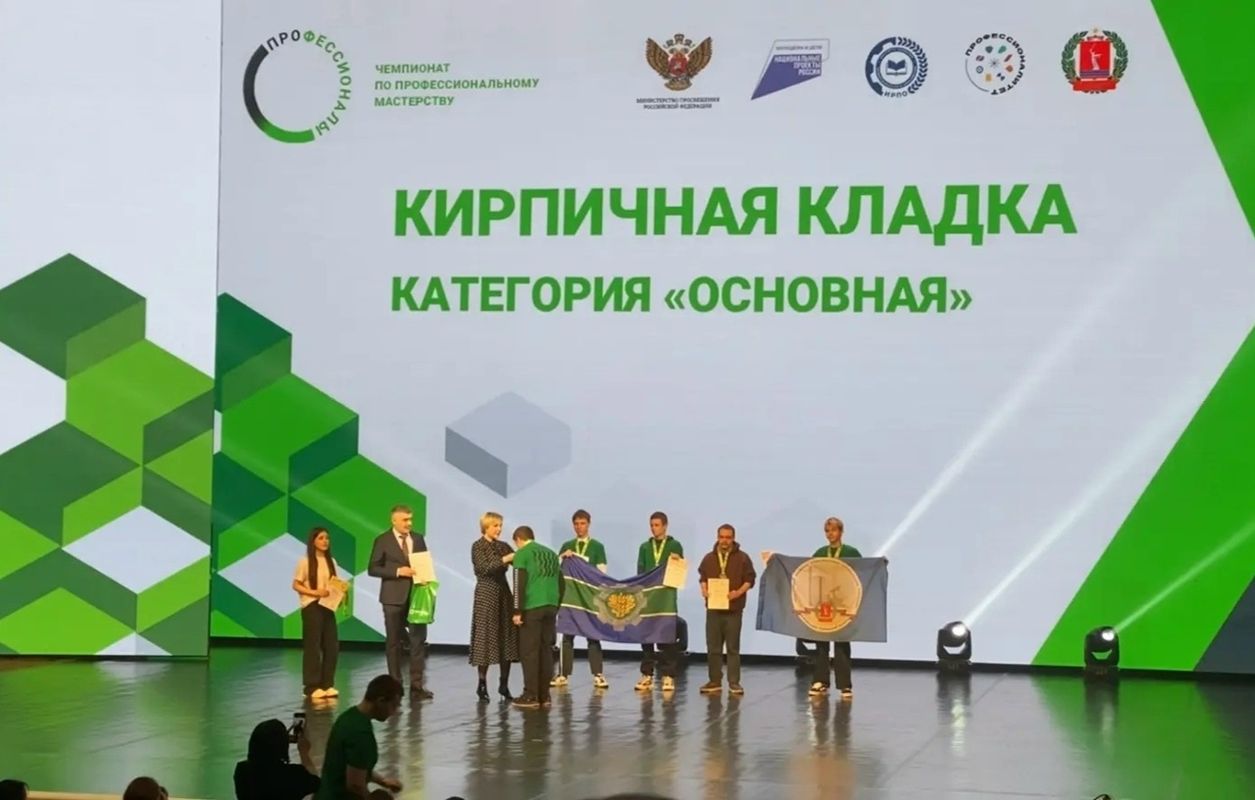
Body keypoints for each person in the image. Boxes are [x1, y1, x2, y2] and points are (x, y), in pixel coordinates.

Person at [367, 504, 432, 700]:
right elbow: (373, 568)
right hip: (392, 598)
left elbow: (424, 563)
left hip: (416, 597)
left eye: (410, 519)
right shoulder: (382, 540)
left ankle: (417, 687)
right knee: (394, 643)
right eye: (405, 520)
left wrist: (426, 578)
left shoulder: (418, 539)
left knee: (418, 641)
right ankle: (395, 687)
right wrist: (397, 571)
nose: (409, 523)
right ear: (394, 520)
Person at [316, 675, 405, 800]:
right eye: (394, 706)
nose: (394, 712)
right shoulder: (361, 734)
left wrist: (383, 781)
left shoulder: (349, 717)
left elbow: (356, 766)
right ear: (380, 701)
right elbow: (355, 786)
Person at [553, 508, 609, 689]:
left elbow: (601, 572)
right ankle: (563, 674)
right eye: (576, 524)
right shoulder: (567, 545)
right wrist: (563, 557)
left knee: (592, 635)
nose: (579, 527)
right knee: (567, 635)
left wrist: (581, 563)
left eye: (582, 523)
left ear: (588, 524)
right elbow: (557, 569)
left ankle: (598, 674)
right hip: (570, 597)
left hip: (588, 598)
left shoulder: (597, 546)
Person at [697, 523, 756, 695]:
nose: (724, 541)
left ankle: (734, 682)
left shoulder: (742, 558)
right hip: (714, 609)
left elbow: (750, 580)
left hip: (734, 609)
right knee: (713, 647)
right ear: (717, 538)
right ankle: (714, 681)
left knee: (732, 648)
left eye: (728, 537)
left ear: (733, 538)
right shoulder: (709, 558)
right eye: (722, 537)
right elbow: (703, 577)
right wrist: (704, 590)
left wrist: (738, 593)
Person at [808, 516, 862, 698]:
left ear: (841, 532)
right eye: (827, 531)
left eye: (833, 530)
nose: (830, 534)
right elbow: (809, 573)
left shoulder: (851, 552)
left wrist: (880, 564)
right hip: (823, 603)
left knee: (842, 643)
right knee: (821, 643)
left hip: (843, 604)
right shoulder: (820, 553)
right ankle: (820, 681)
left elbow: (863, 572)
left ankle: (845, 685)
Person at [510, 525, 563, 709]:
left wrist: (517, 611)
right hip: (551, 605)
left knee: (529, 652)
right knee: (546, 650)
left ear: (518, 539)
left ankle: (531, 695)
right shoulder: (551, 554)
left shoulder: (522, 554)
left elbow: (519, 583)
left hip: (532, 606)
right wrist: (556, 605)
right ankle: (544, 695)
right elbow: (561, 582)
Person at [469, 511, 518, 702]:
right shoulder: (478, 546)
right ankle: (481, 684)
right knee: (486, 637)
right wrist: (504, 559)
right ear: (486, 527)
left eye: (500, 526)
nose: (499, 529)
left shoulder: (503, 546)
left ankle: (504, 684)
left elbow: (518, 562)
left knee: (506, 637)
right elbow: (483, 568)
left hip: (503, 594)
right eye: (495, 525)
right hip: (486, 594)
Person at [635, 511, 684, 693]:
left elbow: (679, 571)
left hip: (666, 598)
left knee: (667, 636)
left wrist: (677, 563)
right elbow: (640, 572)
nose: (653, 529)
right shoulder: (644, 547)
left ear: (665, 526)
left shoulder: (674, 545)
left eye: (656, 525)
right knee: (646, 636)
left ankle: (668, 675)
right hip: (648, 597)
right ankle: (647, 674)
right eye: (651, 525)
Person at [292, 526, 341, 699]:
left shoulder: (331, 562)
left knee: (331, 645)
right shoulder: (305, 561)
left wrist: (340, 593)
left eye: (327, 538)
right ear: (313, 541)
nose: (325, 541)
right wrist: (314, 592)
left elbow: (334, 583)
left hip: (327, 606)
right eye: (321, 538)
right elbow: (296, 584)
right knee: (313, 646)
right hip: (311, 606)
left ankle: (327, 684)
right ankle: (311, 687)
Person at [233, 718, 320, 800]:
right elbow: (317, 784)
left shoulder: (241, 771)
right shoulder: (294, 776)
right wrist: (303, 753)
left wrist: (282, 741)